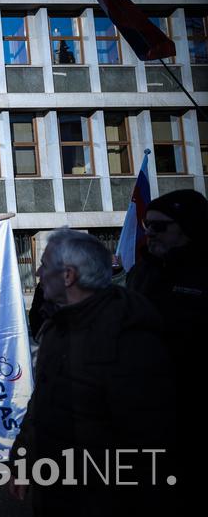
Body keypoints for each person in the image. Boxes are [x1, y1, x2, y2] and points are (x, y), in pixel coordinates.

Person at [10, 228, 175, 514]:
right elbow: (42, 403)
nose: (37, 273)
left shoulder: (128, 337)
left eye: (45, 264)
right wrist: (22, 460)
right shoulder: (56, 327)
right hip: (56, 488)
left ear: (68, 276)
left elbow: (150, 435)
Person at [125, 189, 207, 504]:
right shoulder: (141, 273)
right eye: (147, 225)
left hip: (191, 409)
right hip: (143, 411)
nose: (150, 233)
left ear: (189, 228)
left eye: (161, 227)